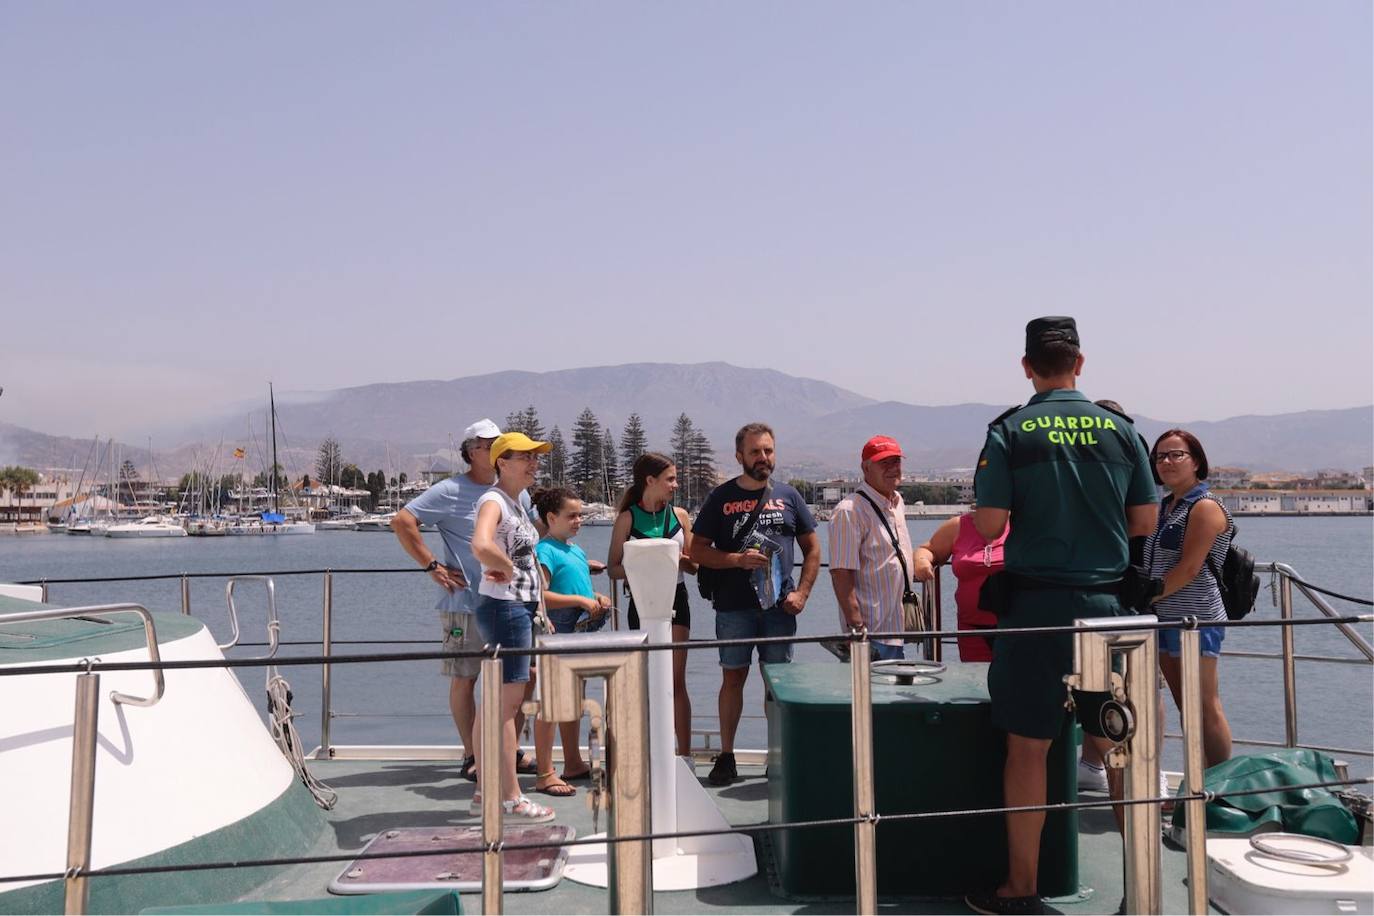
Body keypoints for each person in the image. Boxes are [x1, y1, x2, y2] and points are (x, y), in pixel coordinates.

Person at [964, 317, 1157, 916]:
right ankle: (1142, 891)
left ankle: (1020, 890)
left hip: (1036, 612)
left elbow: (989, 525)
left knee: (1028, 749)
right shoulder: (1120, 430)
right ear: (1080, 362)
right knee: (1119, 747)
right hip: (1106, 610)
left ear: (1027, 367)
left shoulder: (1010, 432)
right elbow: (1145, 521)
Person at [390, 418, 536, 781]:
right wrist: (431, 565)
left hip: (512, 604)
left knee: (517, 679)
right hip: (465, 603)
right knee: (466, 677)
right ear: (471, 452)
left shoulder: (517, 493)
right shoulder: (449, 490)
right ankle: (472, 755)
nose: (496, 450)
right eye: (488, 445)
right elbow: (403, 521)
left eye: (500, 444)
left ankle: (508, 751)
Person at [689, 422, 820, 787]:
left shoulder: (790, 496)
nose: (763, 457)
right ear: (739, 456)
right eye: (755, 452)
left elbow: (813, 549)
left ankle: (778, 757)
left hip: (780, 608)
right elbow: (697, 550)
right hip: (733, 608)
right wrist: (736, 560)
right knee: (732, 678)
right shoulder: (721, 497)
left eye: (768, 451)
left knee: (777, 685)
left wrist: (803, 593)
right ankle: (727, 756)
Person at [468, 431, 557, 822]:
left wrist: (539, 604)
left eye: (536, 457)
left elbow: (526, 560)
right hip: (505, 609)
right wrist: (503, 565)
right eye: (525, 457)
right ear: (502, 462)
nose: (534, 463)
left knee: (494, 705)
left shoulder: (516, 502)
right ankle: (511, 798)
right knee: (506, 707)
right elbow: (480, 543)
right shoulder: (493, 501)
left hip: (516, 608)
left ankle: (484, 789)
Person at [1145, 428, 1234, 767]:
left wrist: (1147, 596)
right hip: (1164, 617)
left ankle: (1220, 782)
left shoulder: (1205, 506)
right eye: (1160, 456)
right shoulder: (1166, 506)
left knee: (1205, 706)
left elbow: (1190, 568)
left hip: (1196, 619)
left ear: (1196, 461)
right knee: (1186, 705)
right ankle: (1198, 778)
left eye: (1176, 455)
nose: (1167, 462)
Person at [607, 452, 697, 760]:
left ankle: (684, 755)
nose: (675, 485)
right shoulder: (627, 519)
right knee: (648, 681)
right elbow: (613, 568)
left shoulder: (680, 516)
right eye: (670, 479)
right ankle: (649, 753)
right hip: (642, 603)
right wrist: (646, 565)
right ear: (650, 481)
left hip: (676, 599)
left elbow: (694, 565)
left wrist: (679, 561)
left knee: (675, 679)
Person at [531, 486, 608, 790]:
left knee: (573, 698)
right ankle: (545, 770)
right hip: (559, 632)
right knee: (551, 700)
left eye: (580, 515)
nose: (578, 521)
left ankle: (573, 761)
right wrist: (578, 600)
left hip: (579, 631)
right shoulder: (545, 550)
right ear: (552, 518)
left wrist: (595, 597)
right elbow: (542, 596)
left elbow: (580, 586)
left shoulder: (576, 550)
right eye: (571, 516)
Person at [828, 436, 916, 660]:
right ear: (866, 468)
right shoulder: (849, 511)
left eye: (896, 461)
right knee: (871, 684)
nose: (893, 468)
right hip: (870, 634)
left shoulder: (897, 502)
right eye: (884, 463)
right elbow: (841, 573)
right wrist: (857, 628)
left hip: (895, 631)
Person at [913, 510, 1007, 663]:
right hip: (971, 630)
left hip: (1017, 629)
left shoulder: (1023, 524)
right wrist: (921, 561)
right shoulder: (959, 525)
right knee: (974, 677)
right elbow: (928, 549)